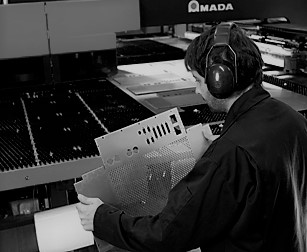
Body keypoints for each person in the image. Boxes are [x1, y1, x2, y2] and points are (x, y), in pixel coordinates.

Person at [76, 22, 307, 252]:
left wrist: (100, 219)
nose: (197, 90)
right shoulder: (294, 120)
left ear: (220, 80)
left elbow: (165, 234)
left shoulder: (229, 154)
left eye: (198, 80)